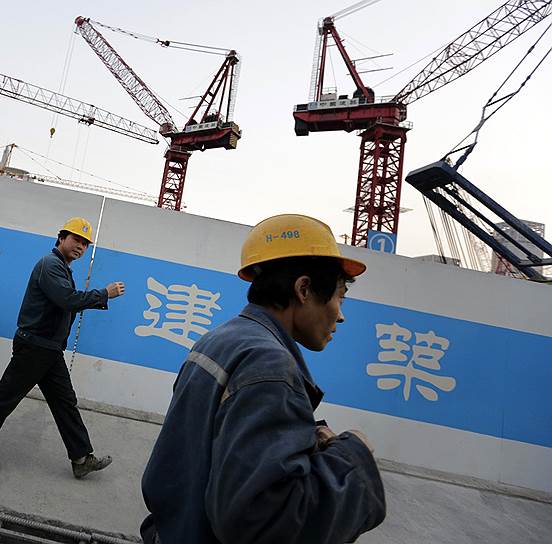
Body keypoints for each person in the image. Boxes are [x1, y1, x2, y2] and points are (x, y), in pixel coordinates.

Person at [140, 214, 386, 544]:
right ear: (304, 289)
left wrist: (299, 437)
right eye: (340, 296)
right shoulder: (270, 367)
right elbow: (262, 523)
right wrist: (352, 455)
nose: (340, 315)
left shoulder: (221, 339)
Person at [0, 217, 125, 478]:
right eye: (76, 240)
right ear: (61, 238)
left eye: (85, 244)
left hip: (49, 349)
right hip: (34, 346)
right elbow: (67, 300)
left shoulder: (62, 267)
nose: (80, 247)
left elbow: (66, 303)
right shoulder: (50, 265)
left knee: (65, 402)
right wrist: (104, 293)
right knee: (5, 398)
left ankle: (81, 458)